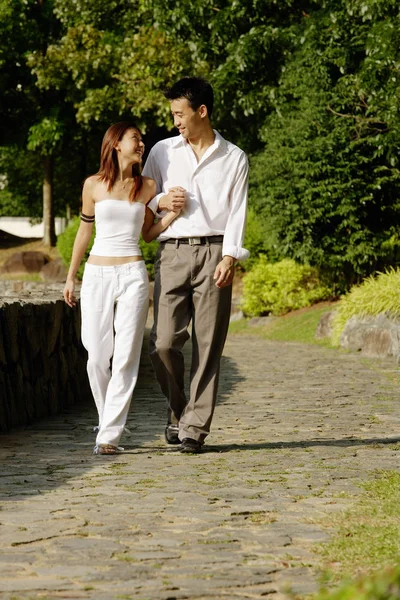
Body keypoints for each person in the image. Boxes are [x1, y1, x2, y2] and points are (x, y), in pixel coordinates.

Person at [143, 76, 249, 454]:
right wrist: (161, 203)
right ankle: (179, 410)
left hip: (215, 253)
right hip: (172, 252)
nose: (176, 121)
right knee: (163, 343)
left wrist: (231, 255)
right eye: (173, 114)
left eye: (180, 113)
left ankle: (195, 429)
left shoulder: (234, 158)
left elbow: (238, 211)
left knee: (208, 345)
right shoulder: (162, 152)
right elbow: (142, 195)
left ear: (201, 111)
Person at [63, 121, 179, 455]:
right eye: (135, 139)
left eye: (142, 140)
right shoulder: (93, 186)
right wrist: (71, 276)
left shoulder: (147, 187)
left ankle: (109, 436)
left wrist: (169, 216)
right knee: (97, 357)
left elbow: (147, 233)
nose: (141, 144)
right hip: (97, 274)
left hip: (132, 274)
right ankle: (107, 419)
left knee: (126, 355)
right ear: (116, 144)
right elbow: (84, 233)